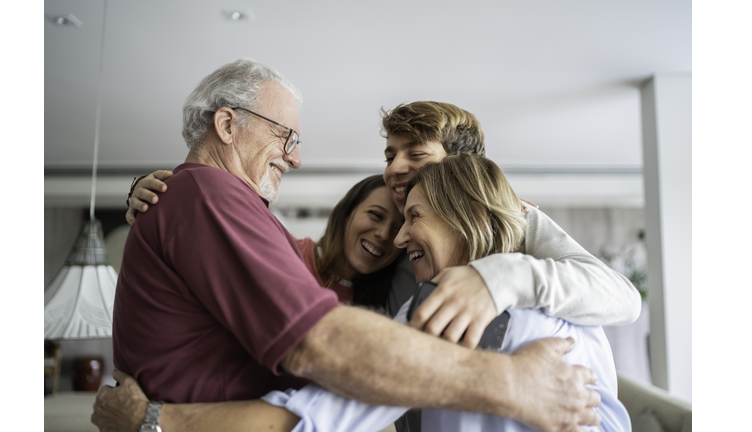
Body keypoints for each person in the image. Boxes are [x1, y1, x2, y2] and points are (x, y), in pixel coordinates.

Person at [104, 58, 601, 432]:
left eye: (412, 217)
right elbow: (326, 369)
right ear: (229, 125)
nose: (395, 236)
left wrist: (153, 421)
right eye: (286, 136)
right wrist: (512, 383)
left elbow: (611, 296)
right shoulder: (205, 195)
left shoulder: (541, 277)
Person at [293, 174, 403, 307]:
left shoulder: (390, 304)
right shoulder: (288, 251)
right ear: (347, 211)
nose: (384, 234)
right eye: (376, 215)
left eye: (399, 228)